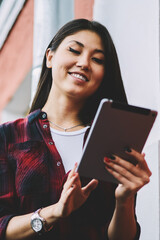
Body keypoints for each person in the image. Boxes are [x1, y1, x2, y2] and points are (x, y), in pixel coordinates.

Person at [0, 19, 151, 240]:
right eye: (74, 50)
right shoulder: (8, 136)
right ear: (50, 57)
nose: (84, 63)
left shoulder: (111, 142)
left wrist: (125, 199)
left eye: (97, 59)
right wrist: (54, 212)